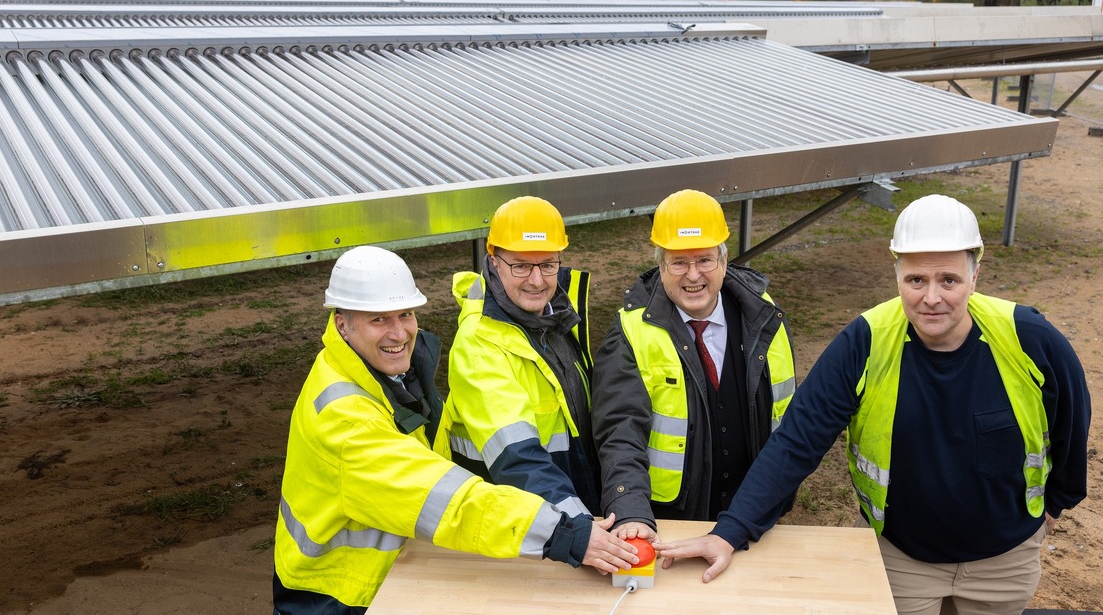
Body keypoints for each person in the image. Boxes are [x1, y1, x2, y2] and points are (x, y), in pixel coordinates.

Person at [655, 194, 1092, 615]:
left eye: (950, 280)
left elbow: (1073, 418)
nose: (932, 297)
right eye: (916, 280)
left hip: (1005, 564)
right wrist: (730, 531)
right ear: (897, 275)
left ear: (975, 276)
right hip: (903, 561)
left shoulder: (1028, 339)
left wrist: (1058, 501)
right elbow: (798, 441)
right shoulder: (866, 341)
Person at [273, 245, 638, 615]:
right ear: (342, 324)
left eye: (405, 314)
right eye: (378, 320)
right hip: (339, 597)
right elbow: (449, 501)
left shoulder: (375, 372)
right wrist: (564, 533)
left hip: (387, 576)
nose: (399, 333)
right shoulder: (349, 422)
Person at [591, 188, 798, 544]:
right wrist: (630, 508)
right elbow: (619, 430)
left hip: (756, 515)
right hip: (671, 521)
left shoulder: (764, 316)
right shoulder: (630, 330)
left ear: (723, 259)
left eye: (704, 260)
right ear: (660, 265)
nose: (693, 275)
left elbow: (786, 412)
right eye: (679, 262)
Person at [444, 196, 600, 519]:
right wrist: (581, 526)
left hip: (559, 517)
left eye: (547, 264)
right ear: (494, 259)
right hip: (513, 528)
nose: (537, 280)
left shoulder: (556, 315)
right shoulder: (478, 343)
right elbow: (519, 460)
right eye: (521, 266)